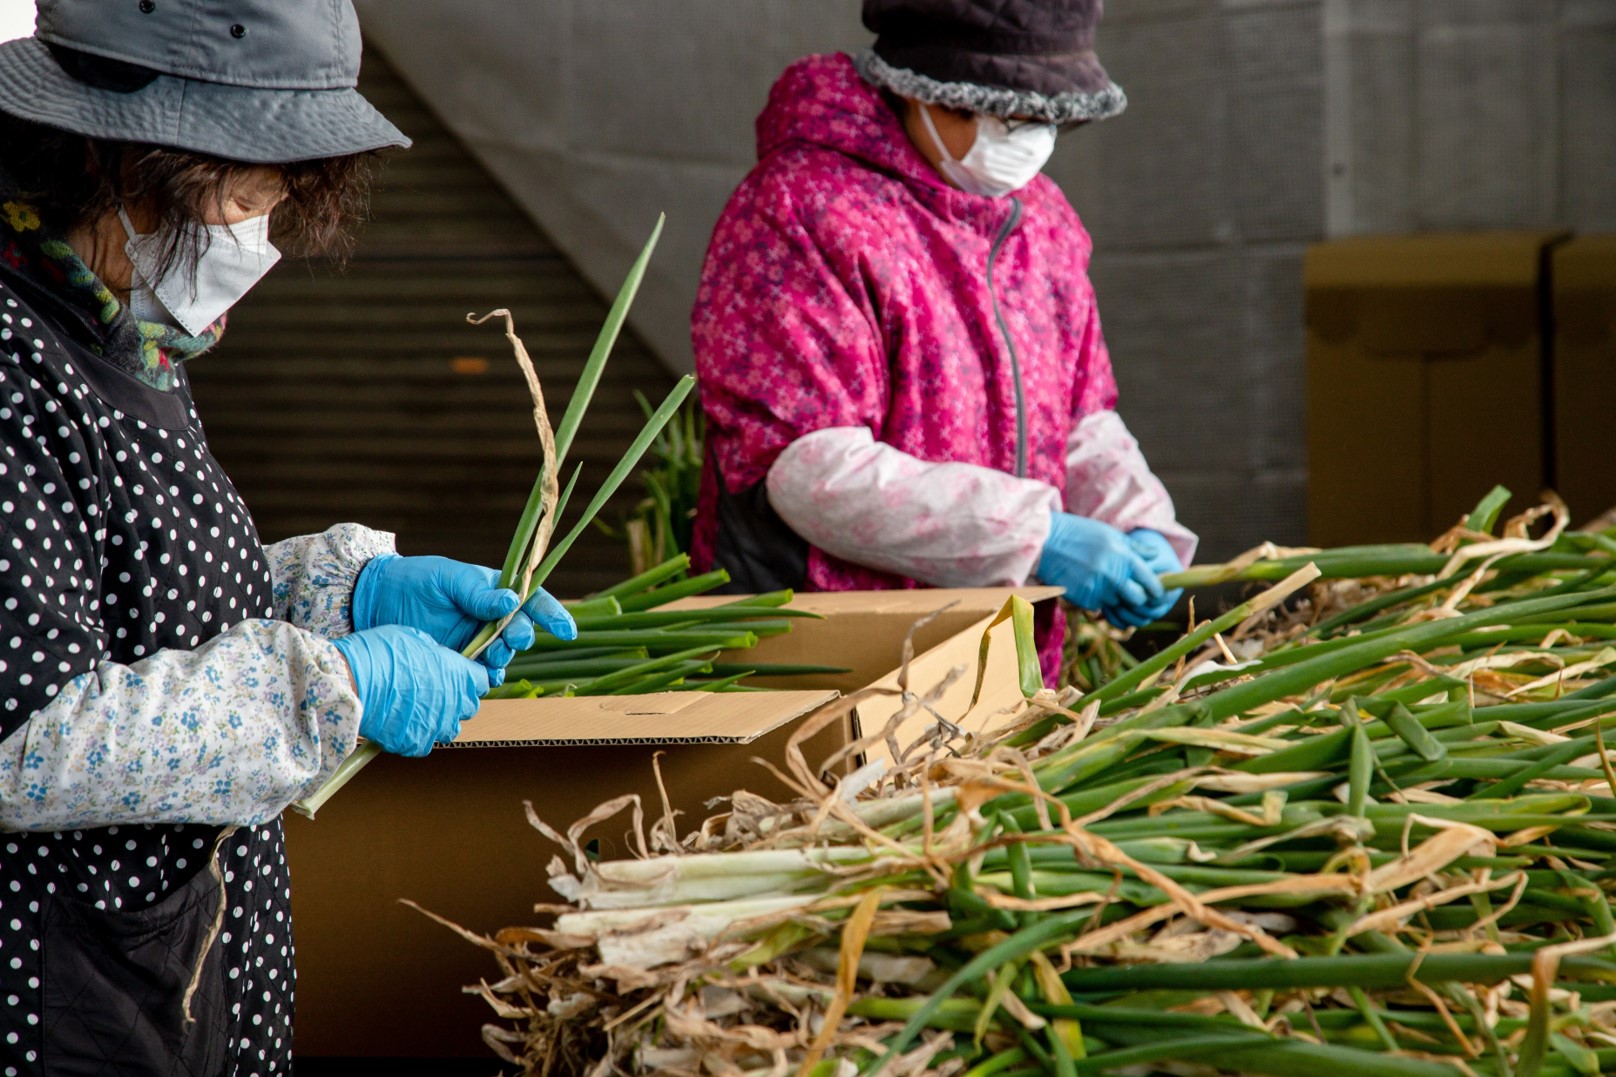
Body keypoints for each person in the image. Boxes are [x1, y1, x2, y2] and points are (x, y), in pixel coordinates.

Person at [0, 0, 575, 1069]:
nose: (256, 232)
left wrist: (340, 592)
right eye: (245, 190)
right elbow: (27, 736)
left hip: (172, 977)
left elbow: (127, 600)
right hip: (66, 1002)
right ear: (120, 157)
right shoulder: (9, 359)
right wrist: (328, 688)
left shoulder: (121, 327)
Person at [692, 0, 1197, 685]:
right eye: (1005, 114)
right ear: (915, 86)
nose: (1029, 140)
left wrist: (1140, 524)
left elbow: (1080, 421)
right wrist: (1036, 537)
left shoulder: (1041, 219)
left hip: (1002, 662)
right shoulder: (801, 211)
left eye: (1051, 118)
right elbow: (807, 470)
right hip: (830, 664)